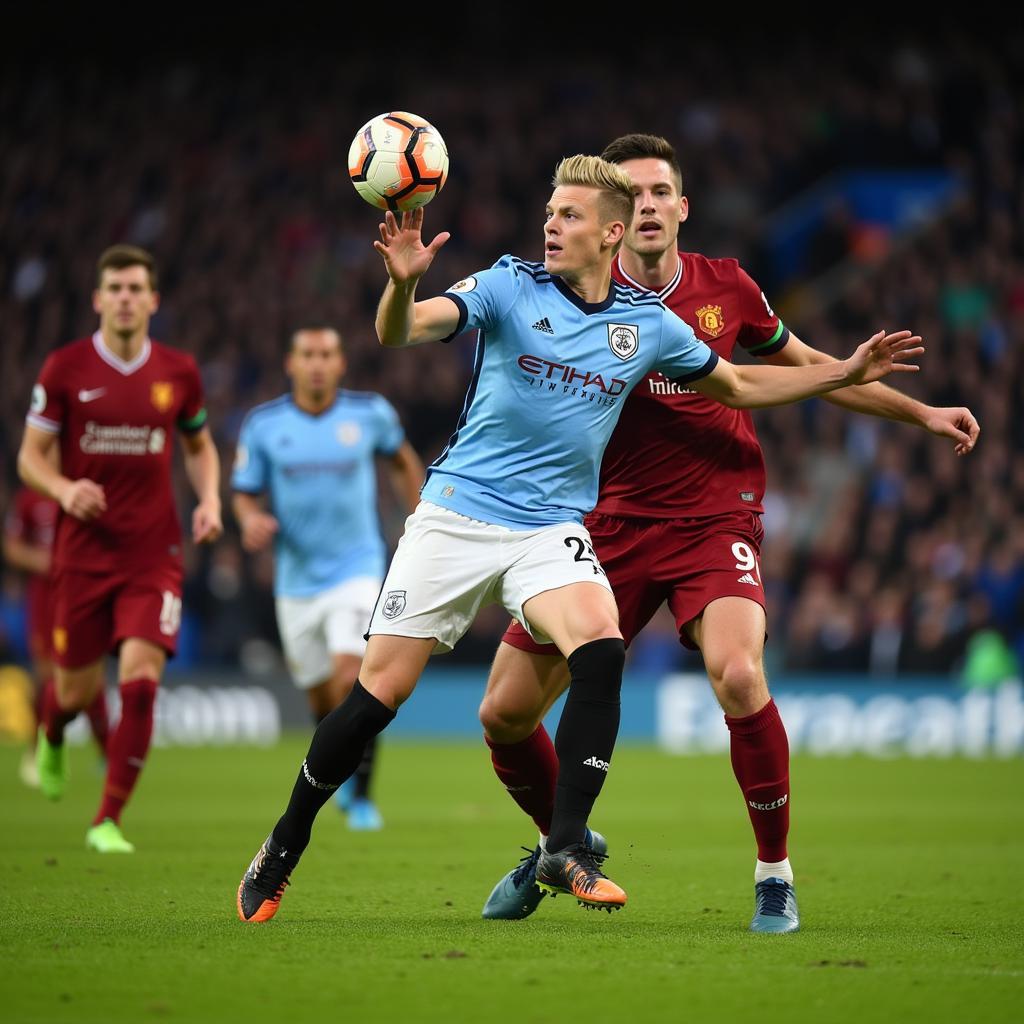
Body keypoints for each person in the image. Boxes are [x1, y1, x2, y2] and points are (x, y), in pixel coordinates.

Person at [236, 154, 924, 923]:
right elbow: (403, 332)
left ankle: (564, 846)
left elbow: (736, 385)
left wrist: (843, 374)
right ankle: (286, 839)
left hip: (550, 526)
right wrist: (402, 284)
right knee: (377, 698)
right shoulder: (507, 284)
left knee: (599, 645)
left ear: (610, 233)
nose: (551, 227)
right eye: (549, 214)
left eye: (568, 216)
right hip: (458, 513)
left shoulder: (649, 325)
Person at [476, 134, 981, 932]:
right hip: (605, 521)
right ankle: (558, 845)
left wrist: (921, 412)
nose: (646, 206)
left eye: (659, 192)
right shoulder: (567, 295)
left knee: (740, 675)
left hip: (716, 515)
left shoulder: (726, 289)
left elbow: (810, 367)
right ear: (608, 217)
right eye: (630, 195)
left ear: (682, 207)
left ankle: (774, 874)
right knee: (502, 712)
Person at [17, 244, 223, 853]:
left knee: (140, 678)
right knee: (75, 692)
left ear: (153, 300)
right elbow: (30, 457)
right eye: (116, 288)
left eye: (137, 289)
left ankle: (107, 818)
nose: (126, 298)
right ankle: (53, 732)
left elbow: (199, 445)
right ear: (98, 299)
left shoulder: (178, 372)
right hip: (81, 556)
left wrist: (208, 499)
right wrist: (62, 487)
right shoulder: (65, 368)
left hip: (152, 555)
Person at [232, 325, 424, 830]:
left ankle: (361, 795)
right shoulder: (264, 426)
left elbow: (403, 462)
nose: (317, 363)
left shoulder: (369, 415)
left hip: (357, 570)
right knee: (323, 700)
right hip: (296, 583)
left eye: (327, 355)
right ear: (290, 365)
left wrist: (421, 517)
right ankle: (338, 770)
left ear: (341, 365)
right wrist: (250, 518)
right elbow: (244, 490)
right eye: (308, 355)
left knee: (352, 677)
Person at [4, 487, 110, 787]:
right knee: (47, 675)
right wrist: (46, 562)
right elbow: (12, 548)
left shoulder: (85, 487)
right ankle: (38, 750)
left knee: (92, 675)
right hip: (45, 599)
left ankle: (108, 753)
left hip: (82, 593)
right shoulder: (29, 498)